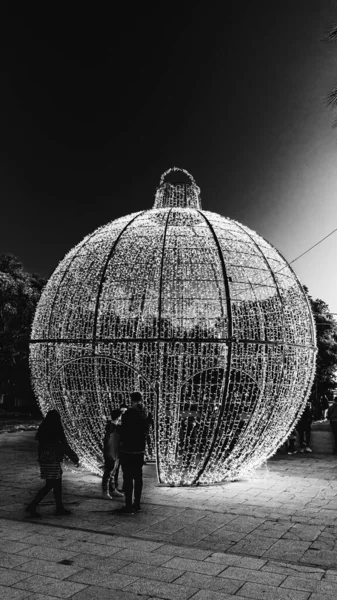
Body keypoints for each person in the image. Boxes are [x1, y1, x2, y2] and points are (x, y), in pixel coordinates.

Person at [25, 409, 79, 517]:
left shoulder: (44, 429)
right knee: (50, 485)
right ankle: (33, 506)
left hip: (45, 460)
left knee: (57, 484)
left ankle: (59, 507)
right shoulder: (56, 430)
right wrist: (74, 458)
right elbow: (64, 446)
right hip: (52, 461)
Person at [116, 391, 148, 514]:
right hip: (139, 450)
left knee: (128, 478)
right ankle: (137, 503)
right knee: (138, 477)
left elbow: (123, 431)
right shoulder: (144, 414)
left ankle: (128, 505)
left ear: (131, 400)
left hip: (128, 450)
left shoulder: (128, 413)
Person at [102, 409, 124, 499]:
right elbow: (107, 441)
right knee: (109, 471)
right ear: (119, 417)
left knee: (113, 472)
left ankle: (112, 489)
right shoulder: (111, 426)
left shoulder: (115, 426)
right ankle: (105, 491)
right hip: (110, 452)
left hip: (115, 452)